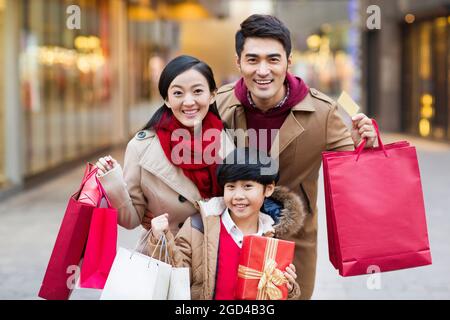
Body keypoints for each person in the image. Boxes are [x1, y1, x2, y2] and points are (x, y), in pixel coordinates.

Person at [214, 14, 378, 299]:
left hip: (293, 240)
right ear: (238, 62)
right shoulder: (218, 105)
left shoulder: (323, 113)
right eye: (252, 59)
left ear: (288, 62)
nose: (263, 70)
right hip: (226, 236)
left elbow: (357, 176)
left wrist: (367, 145)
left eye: (273, 59)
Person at [95, 55, 234, 234]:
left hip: (218, 253)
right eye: (178, 93)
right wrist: (113, 183)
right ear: (167, 99)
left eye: (198, 91)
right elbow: (131, 219)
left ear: (213, 95)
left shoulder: (227, 137)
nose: (189, 101)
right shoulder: (141, 147)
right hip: (167, 253)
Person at [148, 148, 308, 300]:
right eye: (230, 187)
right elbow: (175, 276)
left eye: (247, 186)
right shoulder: (199, 227)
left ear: (268, 189)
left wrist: (289, 288)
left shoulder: (274, 236)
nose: (238, 196)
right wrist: (159, 238)